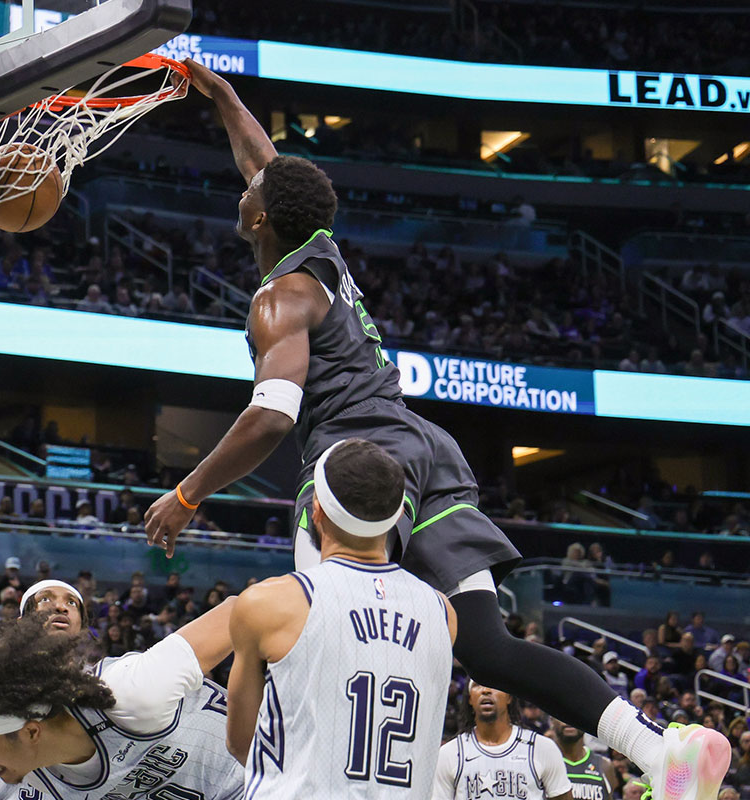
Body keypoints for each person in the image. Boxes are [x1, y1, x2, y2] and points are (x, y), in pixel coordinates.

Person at [140, 56, 731, 796]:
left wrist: (189, 494)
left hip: (353, 464)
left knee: (316, 636)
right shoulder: (318, 248)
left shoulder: (279, 298)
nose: (247, 180)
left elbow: (271, 417)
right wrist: (222, 95)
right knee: (487, 646)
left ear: (257, 217)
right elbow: (268, 165)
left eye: (249, 189)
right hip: (425, 450)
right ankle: (658, 749)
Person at [225, 438, 456, 797]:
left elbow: (242, 743)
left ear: (316, 509)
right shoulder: (443, 613)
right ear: (398, 515)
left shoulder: (268, 604)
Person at [0, 580, 242, 799]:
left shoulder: (130, 690)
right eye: (45, 599)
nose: (60, 607)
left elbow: (244, 610)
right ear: (20, 622)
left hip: (249, 776)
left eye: (70, 603)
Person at [434, 682, 573, 800]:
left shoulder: (541, 747)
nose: (486, 690)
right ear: (470, 698)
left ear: (509, 697)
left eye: (493, 685)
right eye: (477, 685)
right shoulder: (450, 753)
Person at [552, 717, 618, 800]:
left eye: (575, 715)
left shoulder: (605, 765)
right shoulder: (542, 762)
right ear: (551, 720)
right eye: (562, 714)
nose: (568, 720)